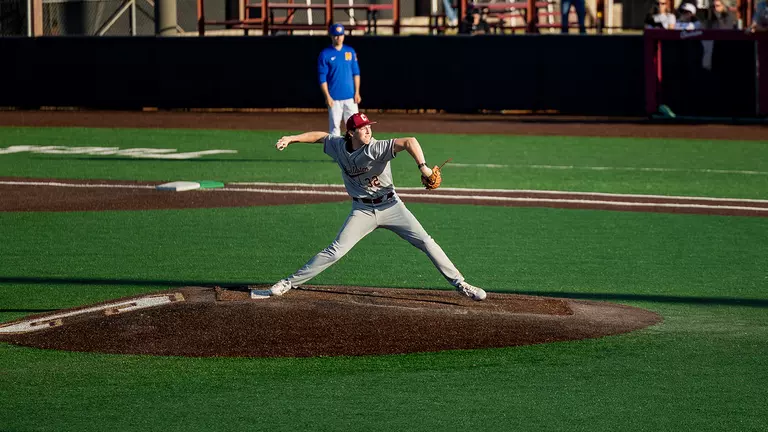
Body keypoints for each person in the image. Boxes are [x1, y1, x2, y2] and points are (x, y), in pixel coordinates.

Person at [252, 112, 487, 302]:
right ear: (351, 132)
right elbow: (320, 136)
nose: (368, 130)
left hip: (392, 207)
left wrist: (423, 167)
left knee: (426, 242)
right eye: (363, 128)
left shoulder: (376, 147)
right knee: (335, 251)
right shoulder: (339, 146)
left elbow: (410, 141)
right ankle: (288, 283)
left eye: (369, 126)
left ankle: (461, 284)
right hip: (362, 211)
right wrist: (292, 138)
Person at [318, 23, 361, 136]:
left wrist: (357, 92)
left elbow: (356, 73)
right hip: (334, 98)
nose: (338, 37)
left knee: (355, 127)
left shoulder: (350, 51)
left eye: (341, 34)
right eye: (336, 35)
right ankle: (336, 152)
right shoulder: (325, 54)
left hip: (350, 97)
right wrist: (327, 96)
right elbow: (322, 78)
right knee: (335, 129)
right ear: (331, 36)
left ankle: (355, 152)